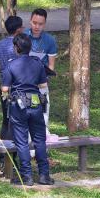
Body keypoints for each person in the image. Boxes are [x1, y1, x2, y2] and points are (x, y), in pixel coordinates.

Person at [1, 33, 54, 186]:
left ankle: (27, 177)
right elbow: (43, 86)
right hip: (36, 103)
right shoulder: (37, 64)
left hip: (18, 106)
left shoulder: (11, 65)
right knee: (39, 140)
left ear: (16, 48)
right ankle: (44, 175)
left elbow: (5, 88)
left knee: (22, 142)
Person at [0, 16, 24, 173]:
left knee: (6, 121)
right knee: (17, 122)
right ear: (18, 29)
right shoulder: (18, 45)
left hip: (3, 87)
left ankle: (3, 158)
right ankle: (12, 158)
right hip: (17, 88)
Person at [25, 8, 57, 136]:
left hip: (41, 85)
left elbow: (51, 65)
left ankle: (43, 144)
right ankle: (29, 146)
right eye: (34, 22)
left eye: (40, 24)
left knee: (43, 112)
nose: (37, 26)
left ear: (45, 23)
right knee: (29, 113)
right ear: (30, 21)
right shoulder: (23, 37)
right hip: (26, 85)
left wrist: (45, 79)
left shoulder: (49, 40)